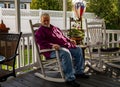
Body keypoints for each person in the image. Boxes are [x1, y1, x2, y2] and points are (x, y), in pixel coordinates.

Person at [35, 13, 89, 87]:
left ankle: (79, 72)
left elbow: (62, 37)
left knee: (78, 49)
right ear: (41, 21)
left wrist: (70, 40)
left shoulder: (54, 28)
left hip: (64, 46)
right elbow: (41, 42)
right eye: (44, 20)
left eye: (48, 20)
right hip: (51, 50)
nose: (46, 22)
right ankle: (70, 78)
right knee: (65, 53)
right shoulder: (40, 31)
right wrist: (52, 45)